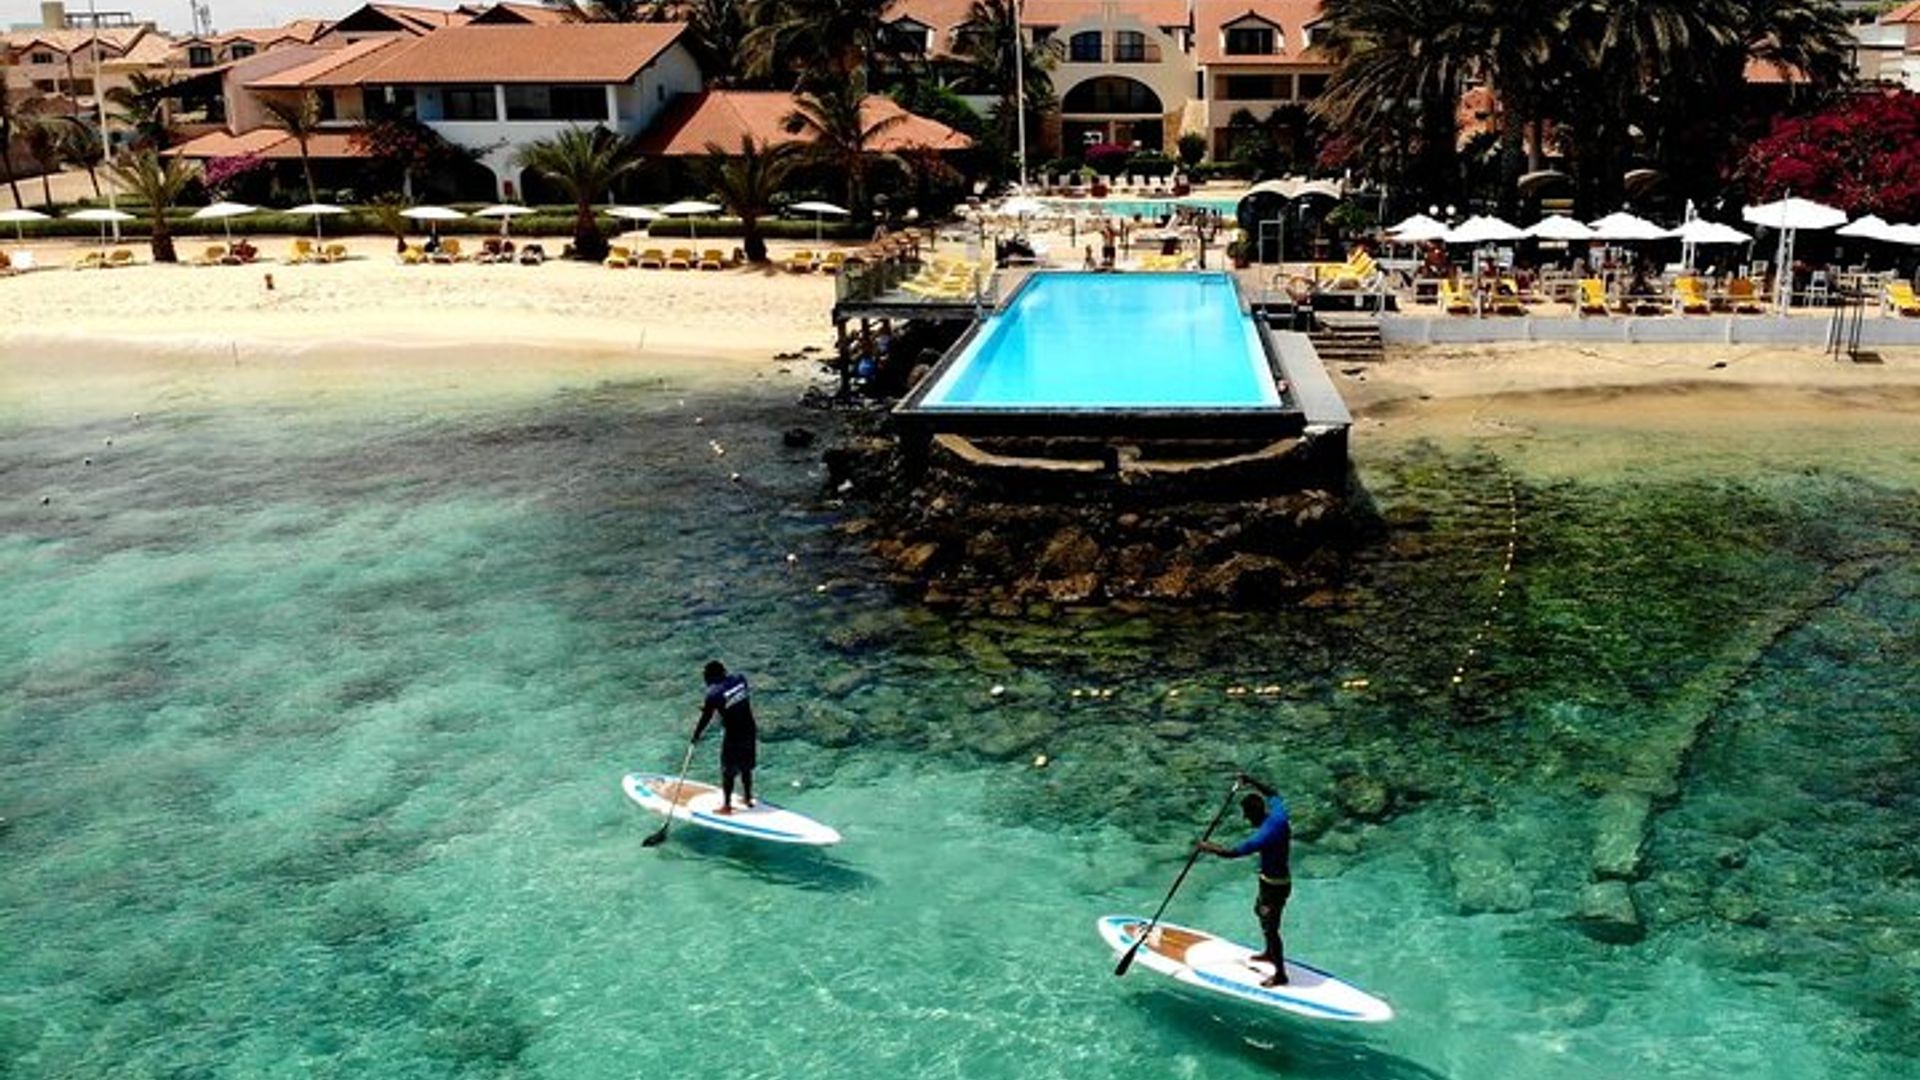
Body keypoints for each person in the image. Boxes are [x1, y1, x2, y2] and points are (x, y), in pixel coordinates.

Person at [1199, 773, 1293, 986]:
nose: (1245, 819)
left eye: (1246, 814)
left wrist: (1208, 847)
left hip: (1275, 886)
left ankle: (1280, 975)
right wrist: (1250, 780)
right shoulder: (1278, 814)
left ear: (1254, 813)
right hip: (1270, 881)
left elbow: (1232, 853)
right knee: (1259, 911)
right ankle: (1269, 953)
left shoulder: (1265, 835)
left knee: (1271, 927)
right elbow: (1273, 793)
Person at [692, 660, 757, 814]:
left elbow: (706, 718)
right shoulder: (741, 679)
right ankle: (748, 798)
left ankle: (727, 806)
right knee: (746, 766)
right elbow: (731, 699)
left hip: (734, 736)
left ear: (712, 675)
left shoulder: (713, 694)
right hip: (749, 730)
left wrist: (696, 735)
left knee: (728, 771)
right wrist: (711, 706)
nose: (704, 679)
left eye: (706, 676)